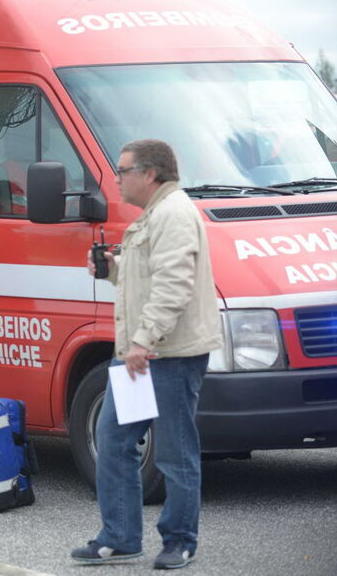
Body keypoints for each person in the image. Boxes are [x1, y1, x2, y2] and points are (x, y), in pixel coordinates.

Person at [72, 140, 222, 570]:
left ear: (150, 174)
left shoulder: (174, 214)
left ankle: (180, 541)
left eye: (123, 170)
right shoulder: (154, 215)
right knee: (114, 440)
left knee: (174, 452)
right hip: (140, 355)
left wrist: (143, 342)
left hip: (165, 355)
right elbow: (146, 279)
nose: (116, 178)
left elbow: (173, 285)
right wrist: (113, 267)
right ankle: (120, 538)